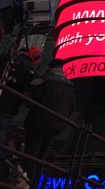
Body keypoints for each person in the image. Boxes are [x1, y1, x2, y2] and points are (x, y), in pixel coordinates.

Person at [24, 58, 77, 186]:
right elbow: (73, 107)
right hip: (57, 125)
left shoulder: (45, 80)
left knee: (31, 153)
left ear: (49, 67)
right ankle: (36, 183)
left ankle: (28, 180)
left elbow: (32, 98)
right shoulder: (70, 86)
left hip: (38, 121)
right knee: (43, 156)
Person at [0, 47, 42, 158]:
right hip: (8, 105)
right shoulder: (30, 70)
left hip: (5, 101)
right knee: (2, 129)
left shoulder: (10, 59)